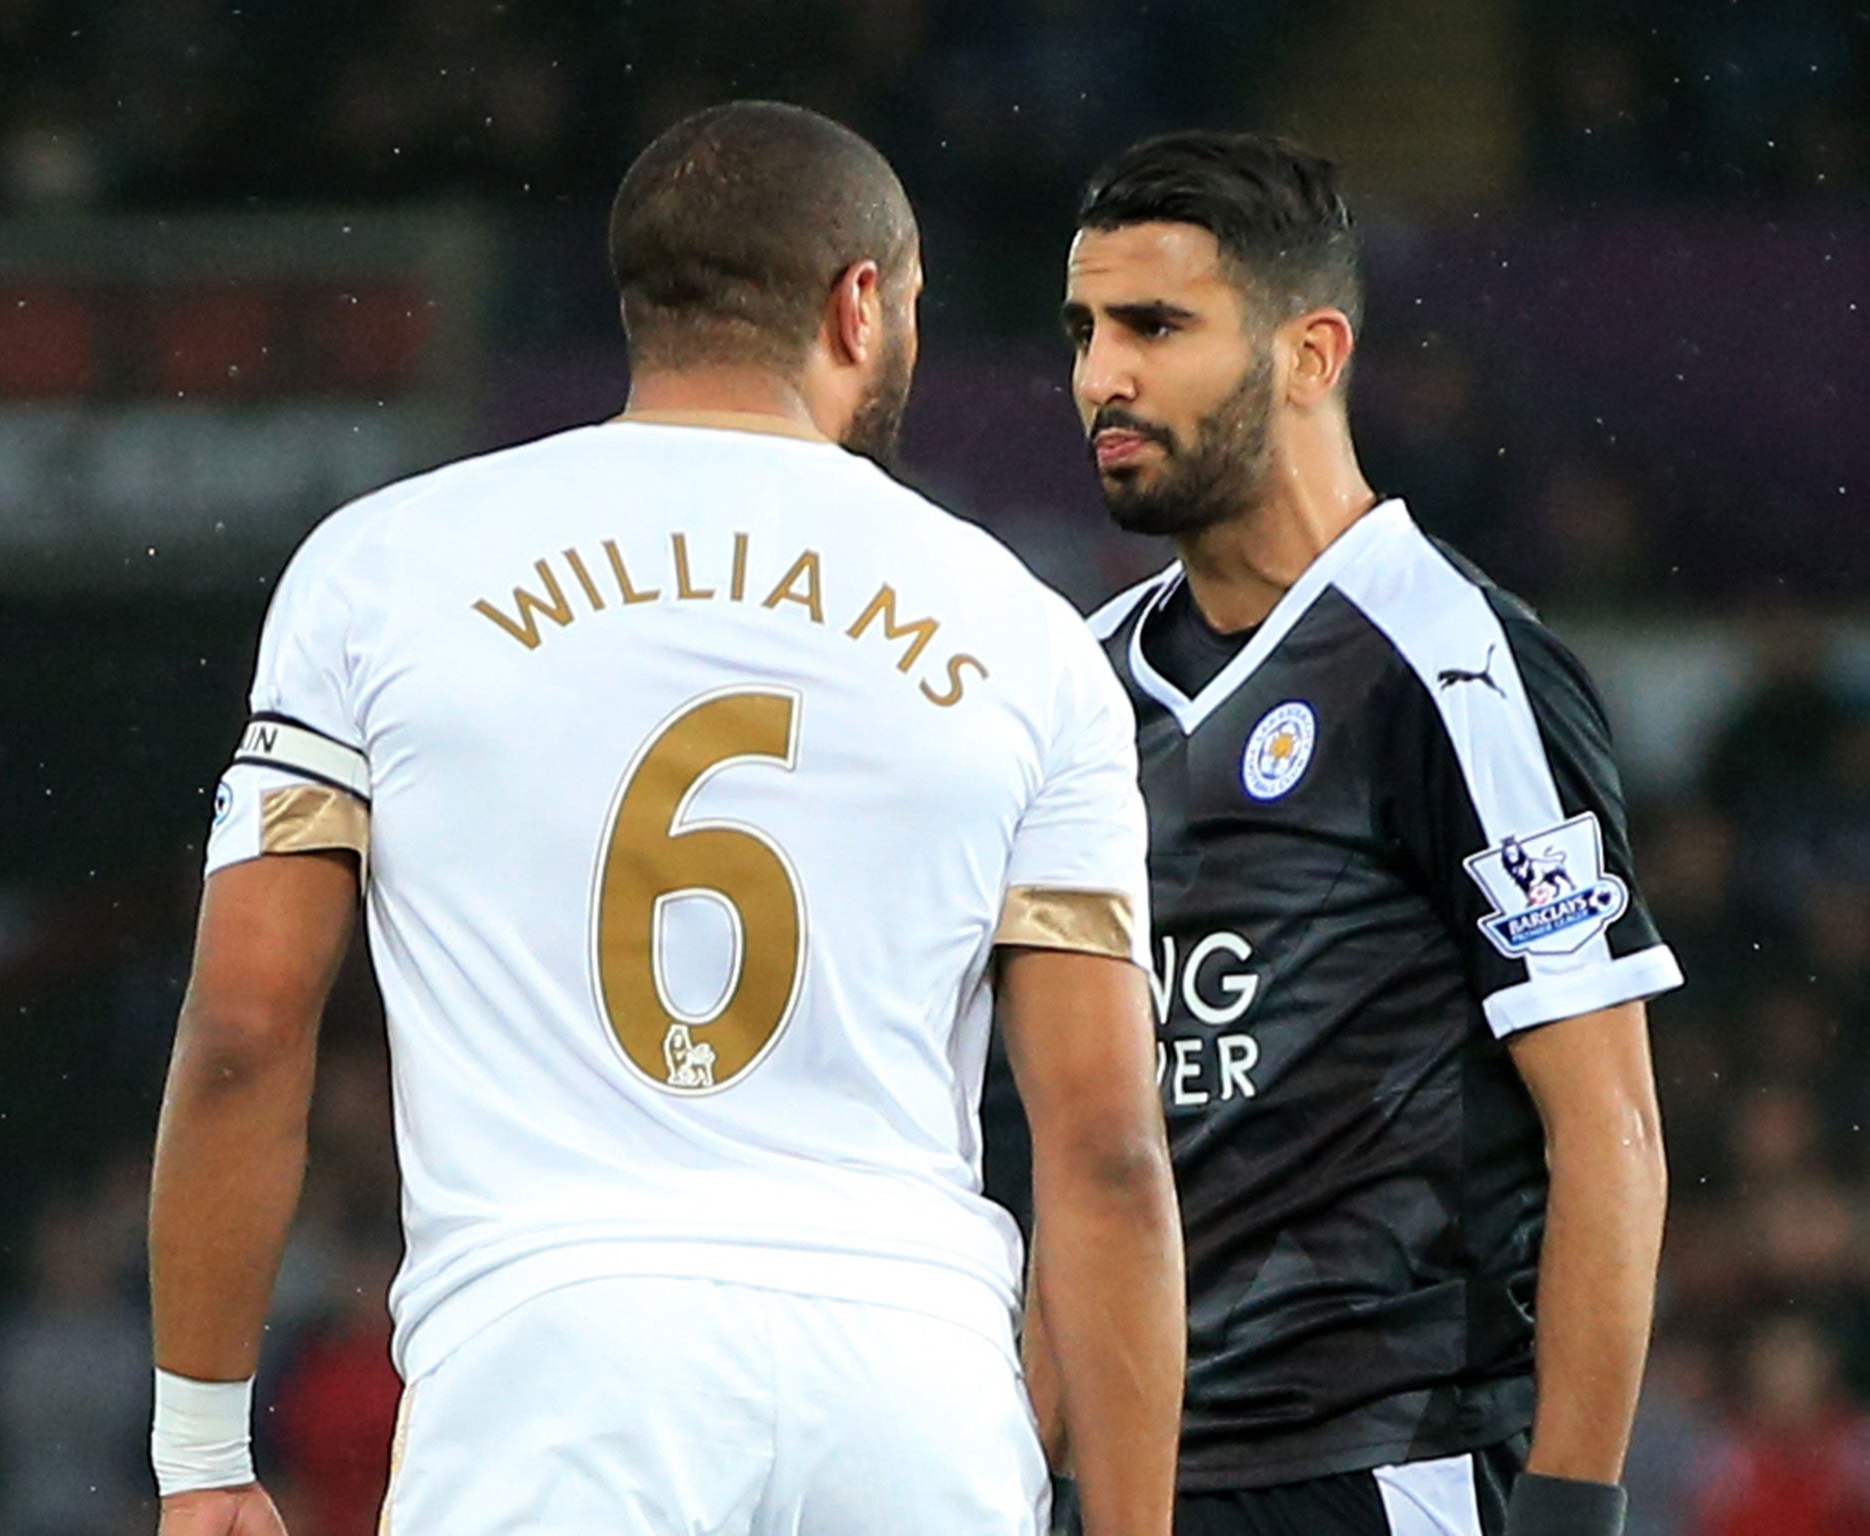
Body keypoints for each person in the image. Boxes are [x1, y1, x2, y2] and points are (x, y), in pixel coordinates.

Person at [148, 101, 1183, 1536]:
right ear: (860, 303)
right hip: (909, 1377)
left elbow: (248, 1029)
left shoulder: (383, 570)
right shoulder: (1025, 634)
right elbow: (1109, 1153)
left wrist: (201, 1451)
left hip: (555, 1368)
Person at [1031, 129, 1681, 1536]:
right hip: (1124, 1492)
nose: (1103, 378)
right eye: (1084, 330)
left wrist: (1571, 1513)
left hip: (1386, 1475)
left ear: (1312, 354)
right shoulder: (1068, 686)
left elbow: (1609, 1125)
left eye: (1156, 325)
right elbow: (1057, 1151)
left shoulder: (1451, 665)